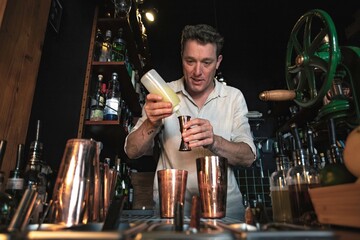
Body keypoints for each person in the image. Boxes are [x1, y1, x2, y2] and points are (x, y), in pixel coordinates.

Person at [124, 24, 256, 220]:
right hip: (171, 210)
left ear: (218, 62)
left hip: (225, 211)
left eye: (206, 62)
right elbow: (131, 151)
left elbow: (248, 157)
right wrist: (150, 124)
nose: (197, 71)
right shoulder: (163, 93)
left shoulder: (233, 97)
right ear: (182, 58)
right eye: (190, 61)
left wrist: (214, 142)